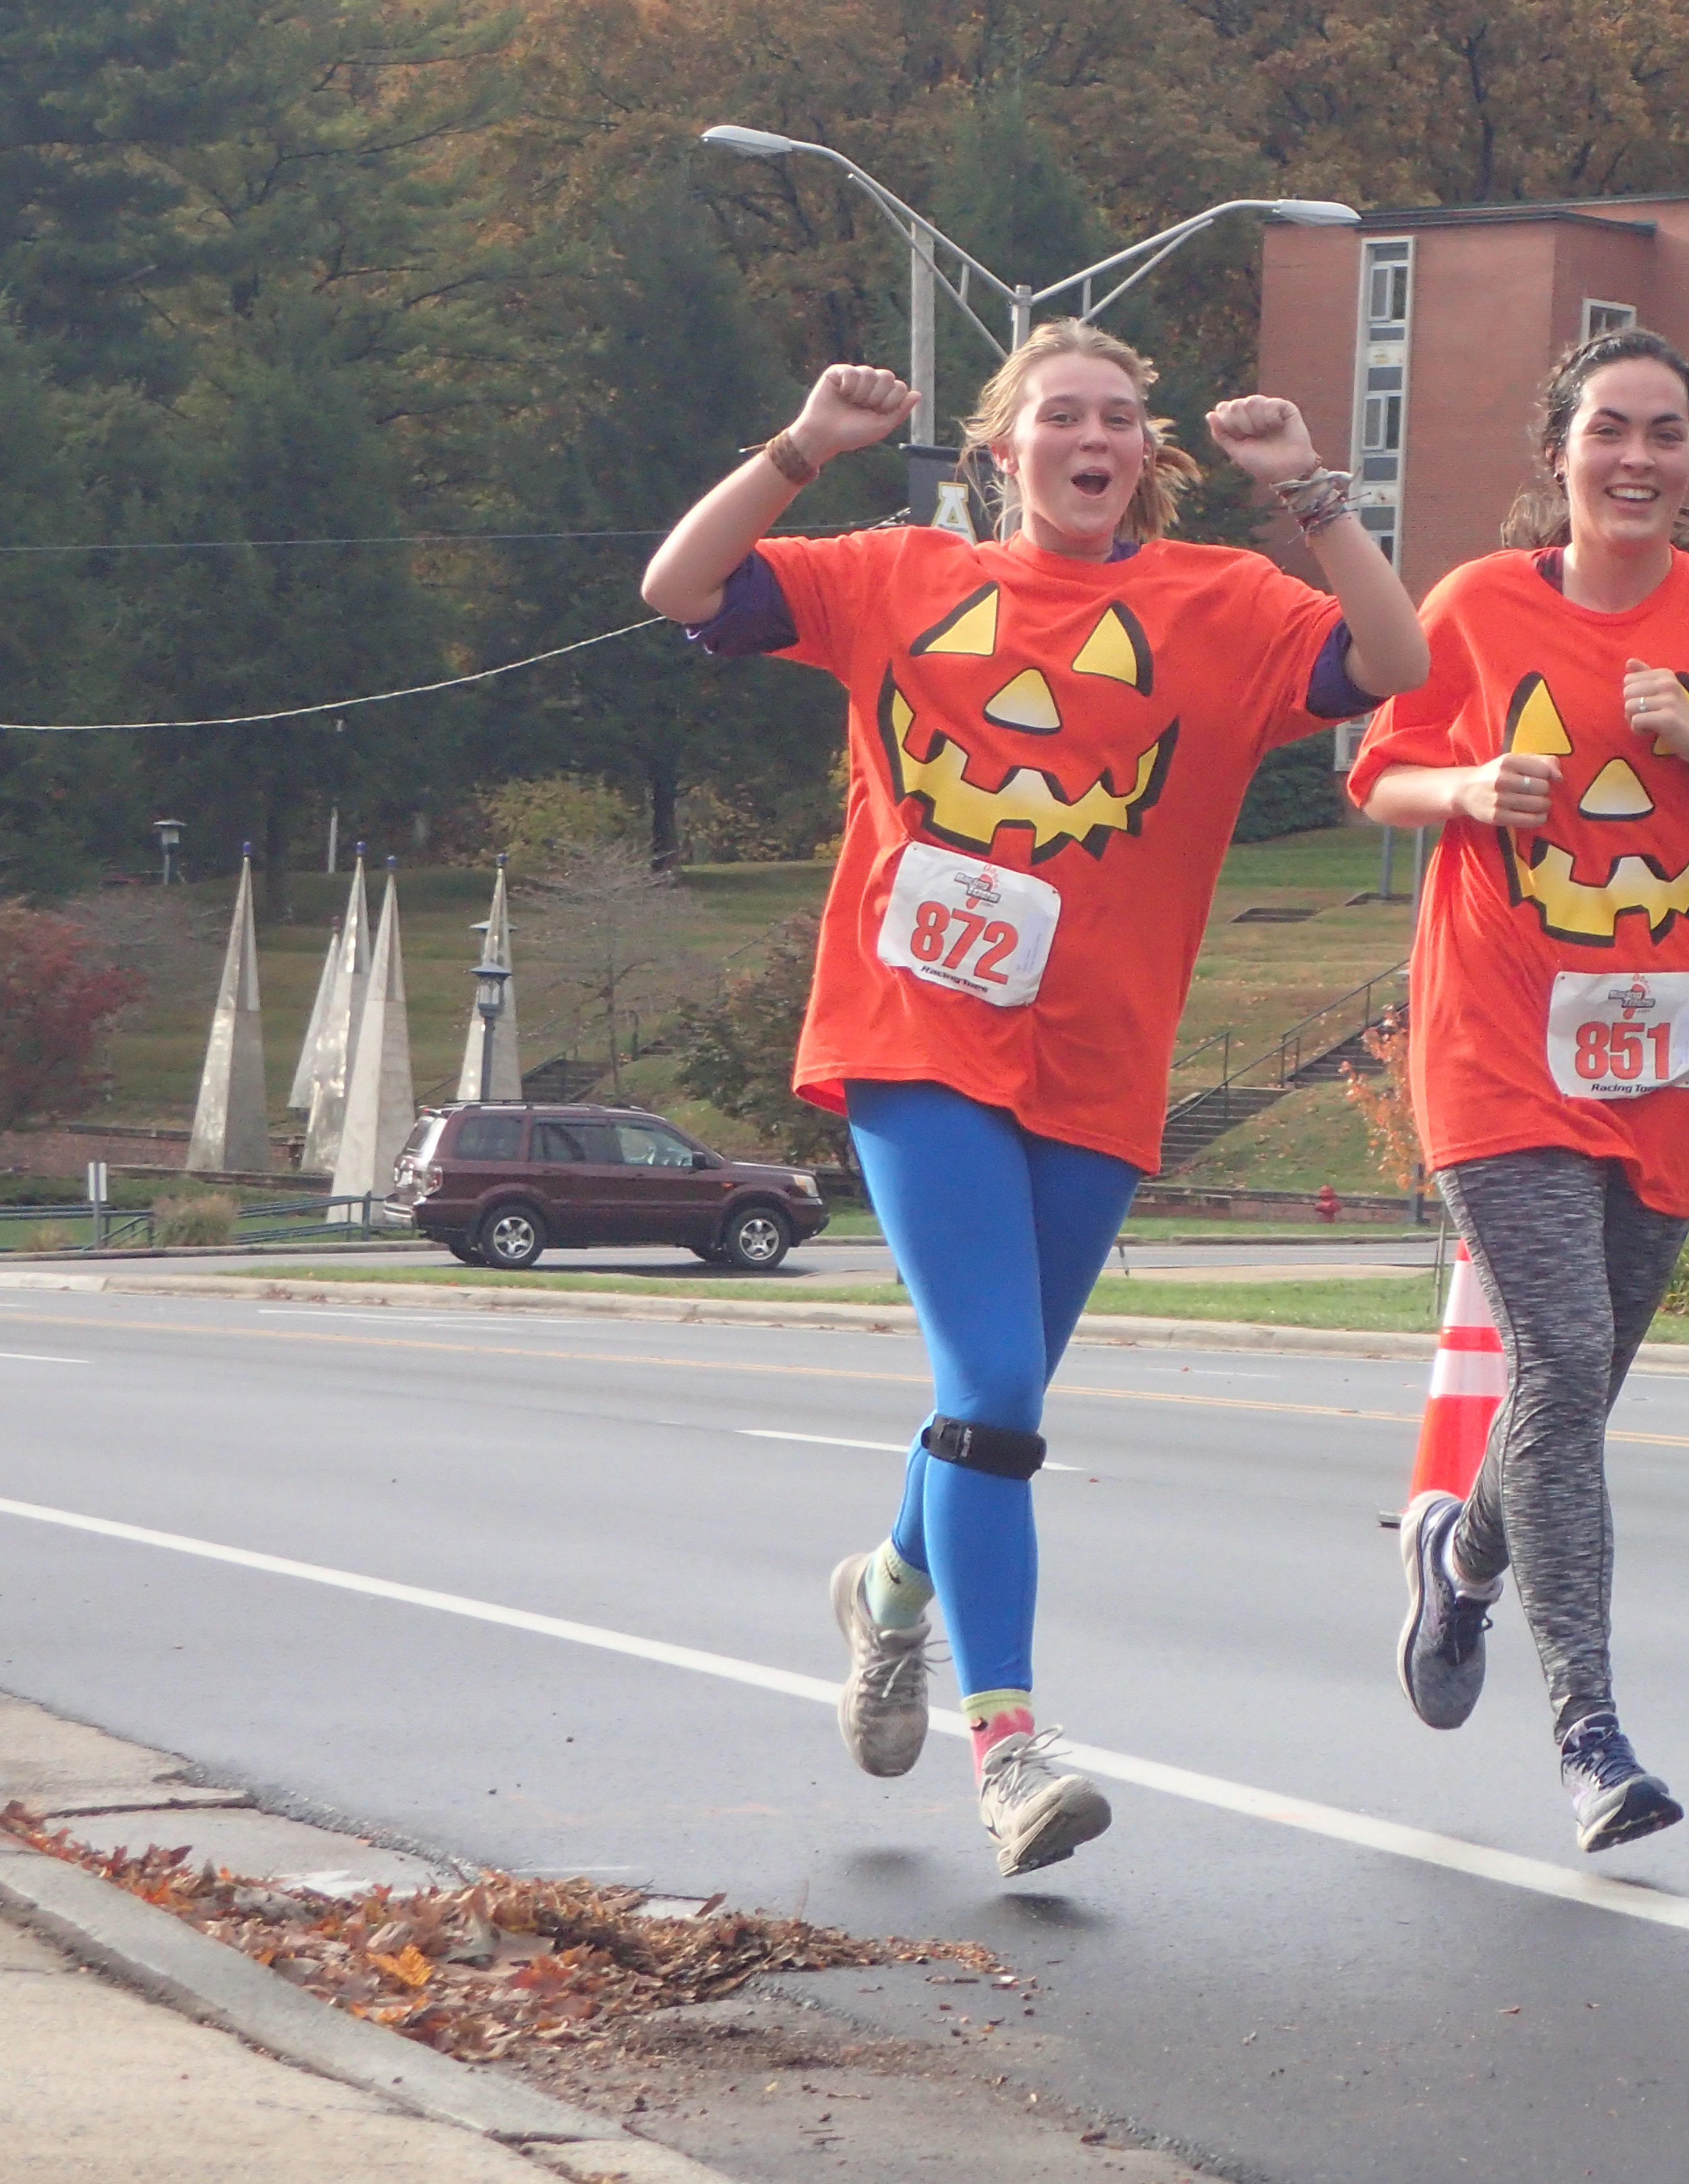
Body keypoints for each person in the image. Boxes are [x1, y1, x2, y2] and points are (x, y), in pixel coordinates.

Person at [640, 324, 1425, 1877]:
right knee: (994, 1384)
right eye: (1059, 415)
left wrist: (1309, 495)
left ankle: (885, 1588)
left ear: (1148, 458)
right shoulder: (897, 576)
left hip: (1098, 1057)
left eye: (1120, 420)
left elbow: (1399, 666)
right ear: (1000, 451)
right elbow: (680, 586)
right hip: (913, 1030)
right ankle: (1007, 1745)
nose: (1092, 437)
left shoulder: (1219, 603)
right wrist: (804, 446)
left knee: (992, 1406)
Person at [1353, 328, 1689, 1852]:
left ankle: (1459, 1559)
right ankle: (1590, 1731)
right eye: (1609, 431)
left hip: (1663, 1070)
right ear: (1559, 454)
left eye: (1664, 433)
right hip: (1495, 1053)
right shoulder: (1476, 606)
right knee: (1565, 1362)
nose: (1636, 458)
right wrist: (1463, 788)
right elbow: (1382, 769)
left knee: (1567, 1394)